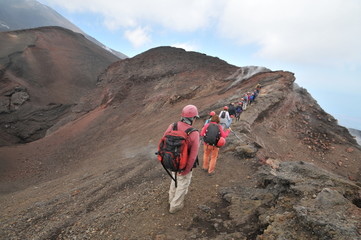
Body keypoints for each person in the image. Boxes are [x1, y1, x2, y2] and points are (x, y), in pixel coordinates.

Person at [162, 104, 200, 214]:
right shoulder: (194, 133)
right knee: (183, 184)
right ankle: (175, 206)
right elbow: (193, 156)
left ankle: (171, 199)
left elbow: (164, 141)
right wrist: (186, 170)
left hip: (172, 161)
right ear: (193, 118)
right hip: (184, 165)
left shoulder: (172, 126)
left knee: (174, 180)